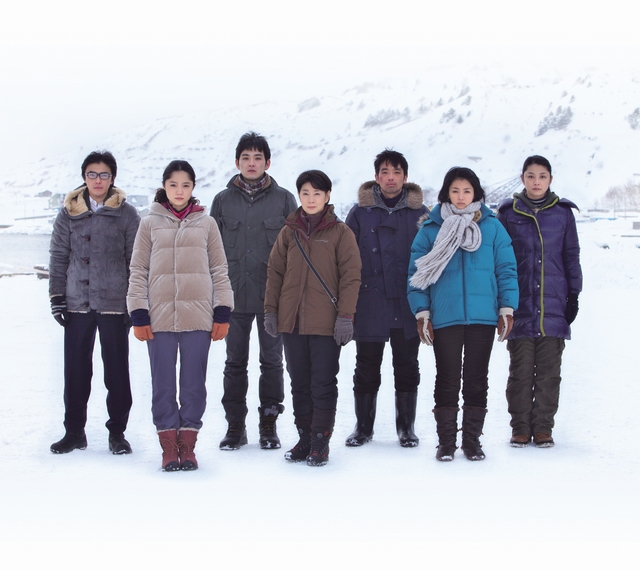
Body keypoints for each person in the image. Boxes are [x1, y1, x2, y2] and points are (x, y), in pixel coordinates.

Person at [127, 160, 233, 471]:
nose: (179, 191)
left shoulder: (207, 224)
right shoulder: (148, 223)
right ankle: (168, 447)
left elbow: (219, 269)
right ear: (164, 186)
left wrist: (222, 311)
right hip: (158, 318)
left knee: (193, 385)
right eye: (173, 185)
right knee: (162, 385)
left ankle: (188, 445)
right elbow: (138, 270)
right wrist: (138, 312)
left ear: (193, 188)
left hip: (198, 317)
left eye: (186, 185)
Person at [408, 167, 518, 461]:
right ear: (446, 193)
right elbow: (416, 275)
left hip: (483, 317)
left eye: (467, 191)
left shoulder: (492, 227)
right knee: (446, 378)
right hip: (445, 315)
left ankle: (471, 441)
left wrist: (506, 308)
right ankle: (446, 442)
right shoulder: (431, 229)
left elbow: (506, 270)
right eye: (455, 191)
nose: (460, 197)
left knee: (476, 378)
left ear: (476, 194)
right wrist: (422, 313)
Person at [264, 170, 361, 466]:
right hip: (292, 321)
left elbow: (351, 277)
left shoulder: (341, 233)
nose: (310, 198)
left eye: (317, 193)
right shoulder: (288, 232)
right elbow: (275, 273)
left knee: (323, 384)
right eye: (305, 193)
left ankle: (320, 441)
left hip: (326, 323)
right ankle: (304, 438)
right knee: (299, 384)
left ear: (327, 196)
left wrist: (345, 316)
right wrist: (271, 310)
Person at [49, 151, 140, 455]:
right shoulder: (68, 213)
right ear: (84, 177)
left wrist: (135, 301)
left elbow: (136, 261)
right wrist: (57, 296)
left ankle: (117, 433)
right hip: (77, 303)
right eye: (92, 174)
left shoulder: (127, 214)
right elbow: (59, 256)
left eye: (104, 175)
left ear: (113, 178)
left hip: (115, 303)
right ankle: (74, 432)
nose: (97, 180)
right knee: (76, 372)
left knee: (117, 373)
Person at [210, 132, 297, 450]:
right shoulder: (222, 201)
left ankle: (268, 424)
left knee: (272, 362)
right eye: (245, 157)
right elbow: (211, 250)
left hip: (272, 297)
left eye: (257, 157)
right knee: (234, 362)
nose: (251, 163)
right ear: (237, 162)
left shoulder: (285, 199)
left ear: (267, 163)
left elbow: (295, 250)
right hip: (232, 296)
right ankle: (235, 426)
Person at [344, 150, 428, 448]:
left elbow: (429, 260)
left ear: (405, 177)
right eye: (384, 172)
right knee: (366, 366)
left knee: (407, 366)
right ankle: (363, 428)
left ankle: (406, 428)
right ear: (376, 177)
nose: (390, 178)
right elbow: (347, 260)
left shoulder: (420, 214)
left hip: (407, 302)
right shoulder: (359, 213)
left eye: (396, 172)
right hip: (370, 302)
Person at [497, 156, 582, 448]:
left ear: (550, 179)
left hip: (553, 304)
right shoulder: (507, 213)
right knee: (520, 371)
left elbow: (571, 255)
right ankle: (520, 427)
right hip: (519, 303)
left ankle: (543, 428)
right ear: (522, 178)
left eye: (542, 176)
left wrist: (574, 294)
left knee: (549, 372)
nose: (536, 181)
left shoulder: (563, 213)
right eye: (531, 176)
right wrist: (502, 300)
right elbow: (500, 258)